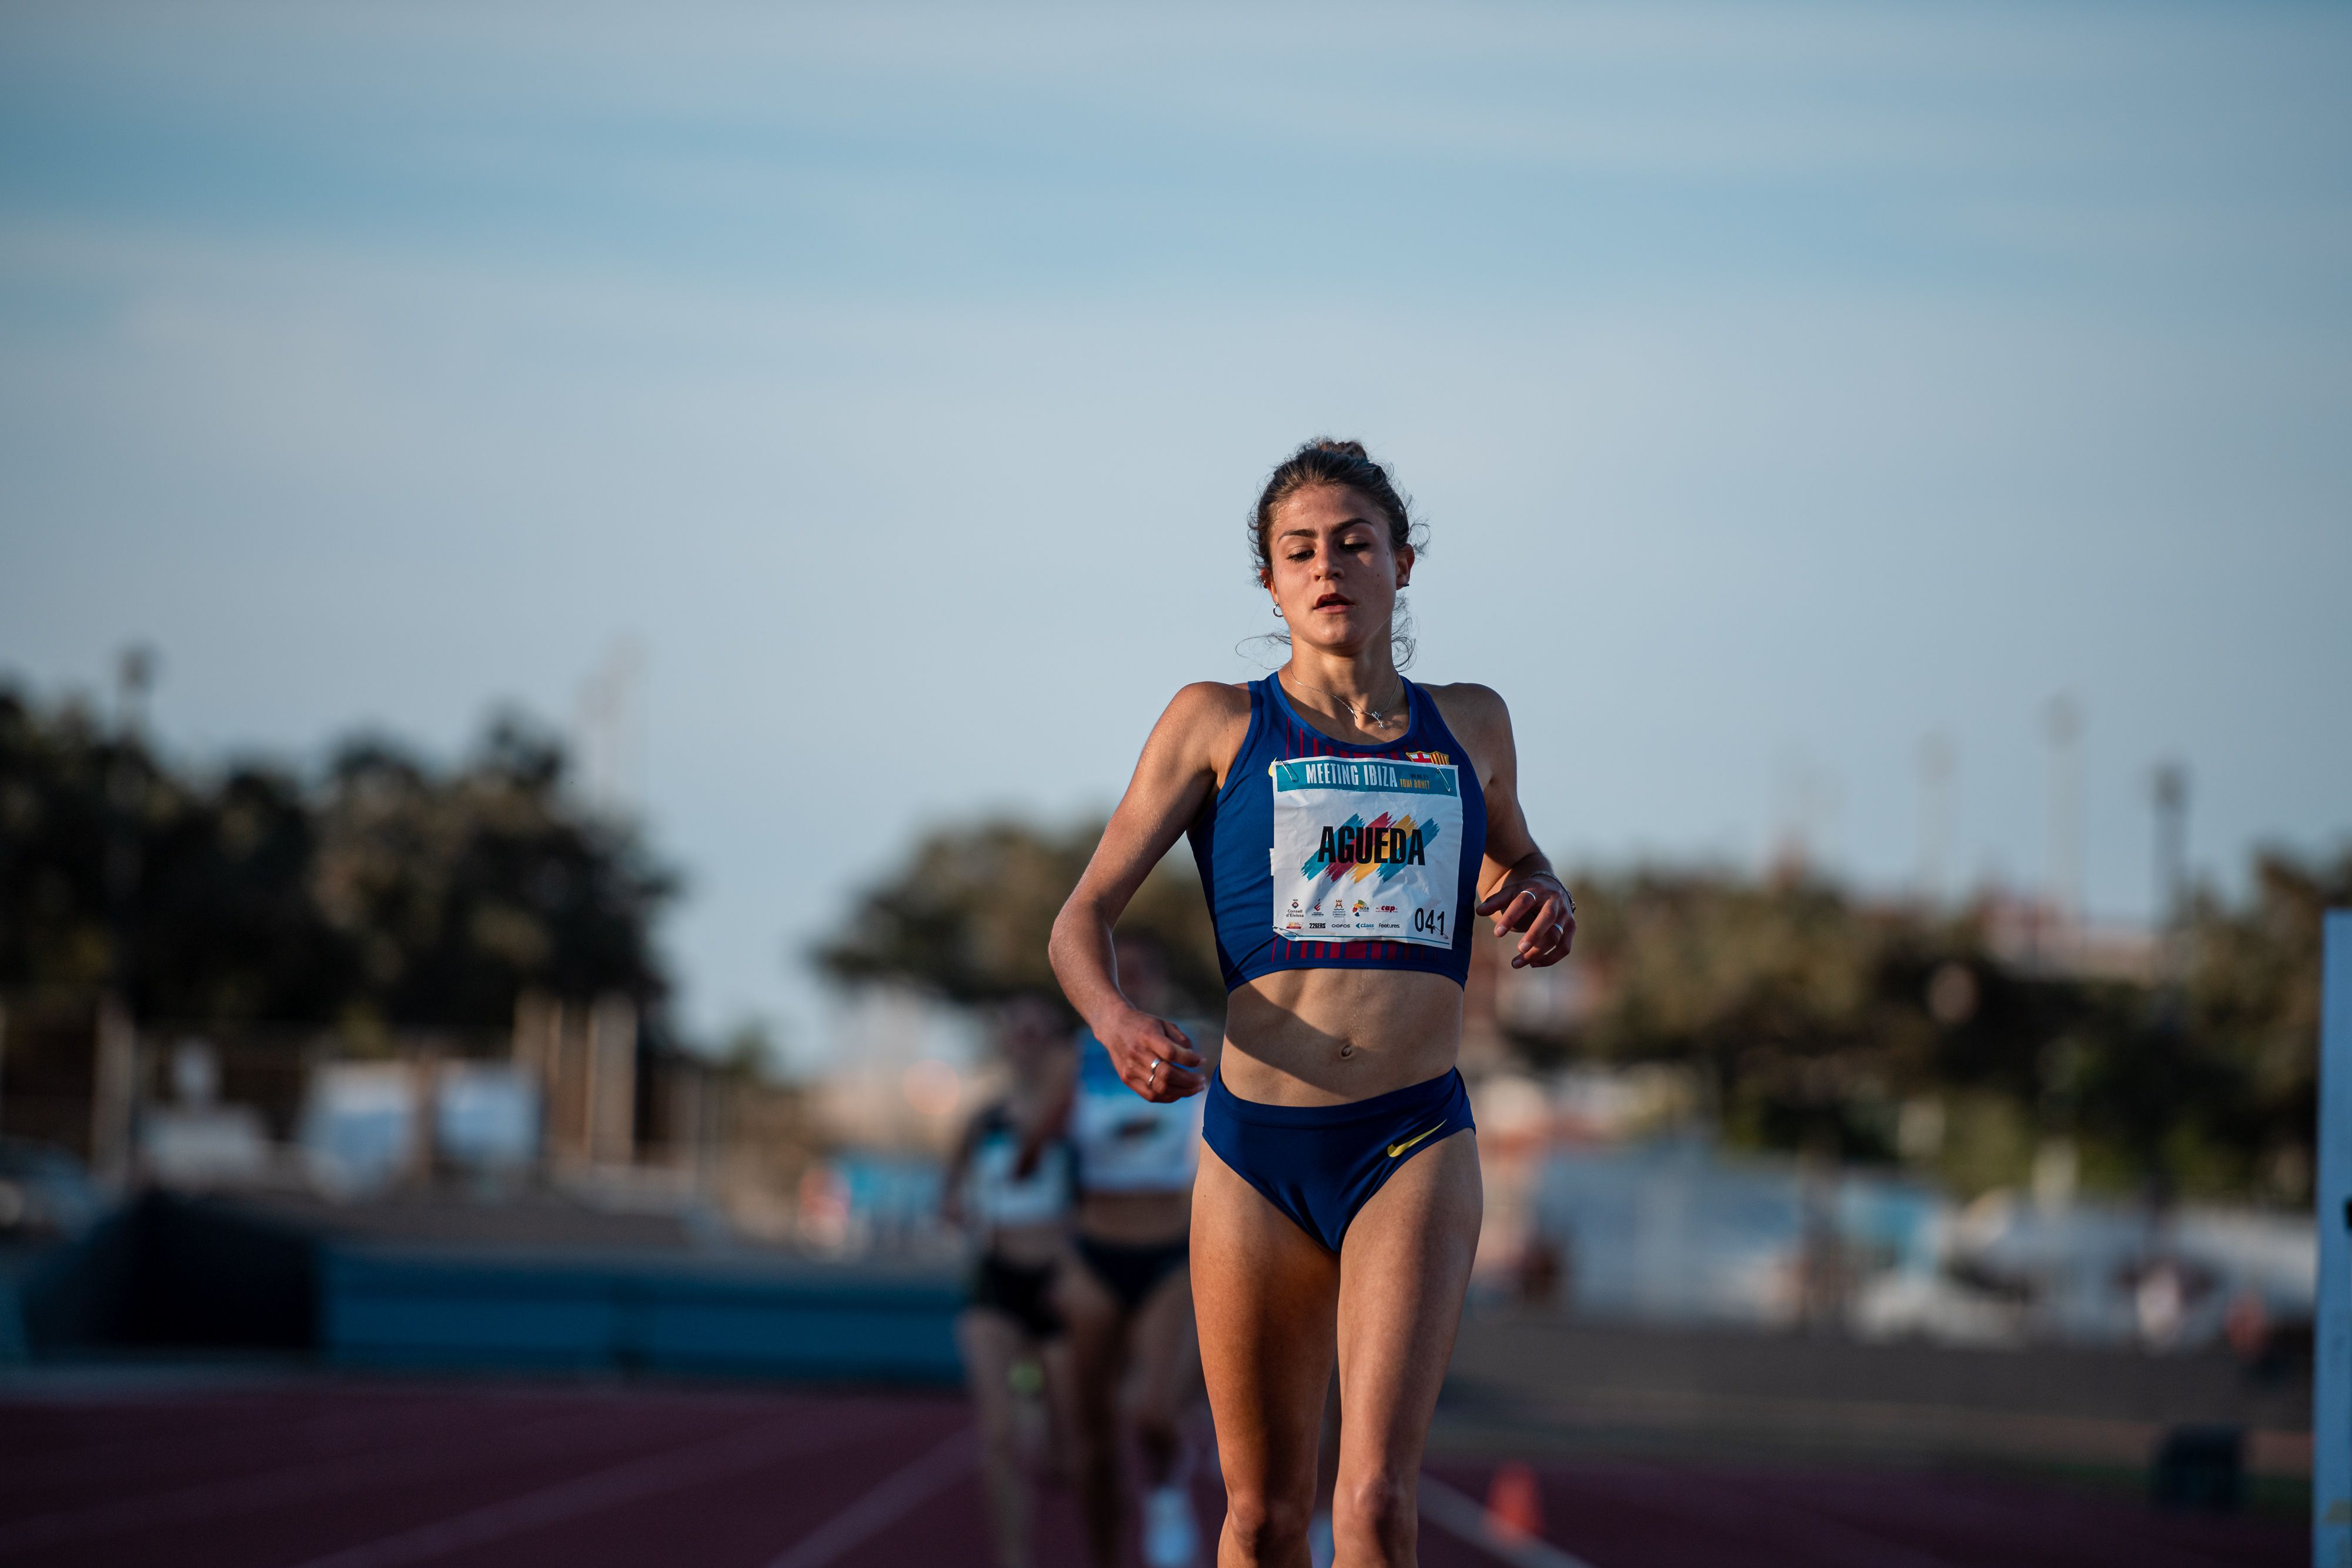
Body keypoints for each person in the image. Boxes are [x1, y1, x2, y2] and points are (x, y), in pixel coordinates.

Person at [1048, 439, 1574, 1567]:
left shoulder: (1472, 724)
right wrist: (1116, 1020)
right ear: (1272, 584)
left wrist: (1543, 896)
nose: (1329, 565)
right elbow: (1079, 915)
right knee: (1263, 1515)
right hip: (1255, 1151)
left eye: (1354, 543)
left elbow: (1513, 867)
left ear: (1403, 565)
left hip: (1413, 1136)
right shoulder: (1215, 722)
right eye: (1301, 551)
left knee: (1377, 1503)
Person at [1047, 932, 1216, 1568]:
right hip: (1093, 1251)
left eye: (1145, 974)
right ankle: (1104, 1555)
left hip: (1170, 1252)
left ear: (1162, 981)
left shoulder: (1194, 1049)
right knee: (1091, 1441)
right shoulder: (1081, 1056)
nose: (1135, 986)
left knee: (1153, 1413)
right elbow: (1034, 1132)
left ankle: (1168, 1491)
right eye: (1124, 975)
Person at [940, 995, 1082, 1568]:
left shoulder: (1073, 1124)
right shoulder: (983, 1121)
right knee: (998, 1435)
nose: (1026, 1044)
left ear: (1055, 1046)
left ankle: (1051, 1431)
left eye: (1038, 1034)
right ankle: (1012, 1558)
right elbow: (948, 1196)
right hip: (995, 1281)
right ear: (1004, 1044)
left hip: (1058, 1283)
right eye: (1016, 1033)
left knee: (1061, 1454)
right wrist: (965, 1213)